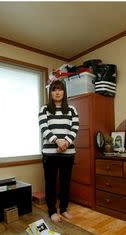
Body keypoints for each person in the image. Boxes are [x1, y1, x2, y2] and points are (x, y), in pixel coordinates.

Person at [38, 80, 79, 223]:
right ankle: (51, 211)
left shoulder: (72, 110)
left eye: (60, 89)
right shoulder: (44, 109)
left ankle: (64, 209)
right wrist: (57, 141)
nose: (57, 92)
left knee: (65, 182)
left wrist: (66, 142)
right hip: (50, 153)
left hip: (68, 153)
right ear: (50, 92)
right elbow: (44, 128)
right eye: (54, 89)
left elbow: (75, 128)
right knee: (50, 182)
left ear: (64, 92)